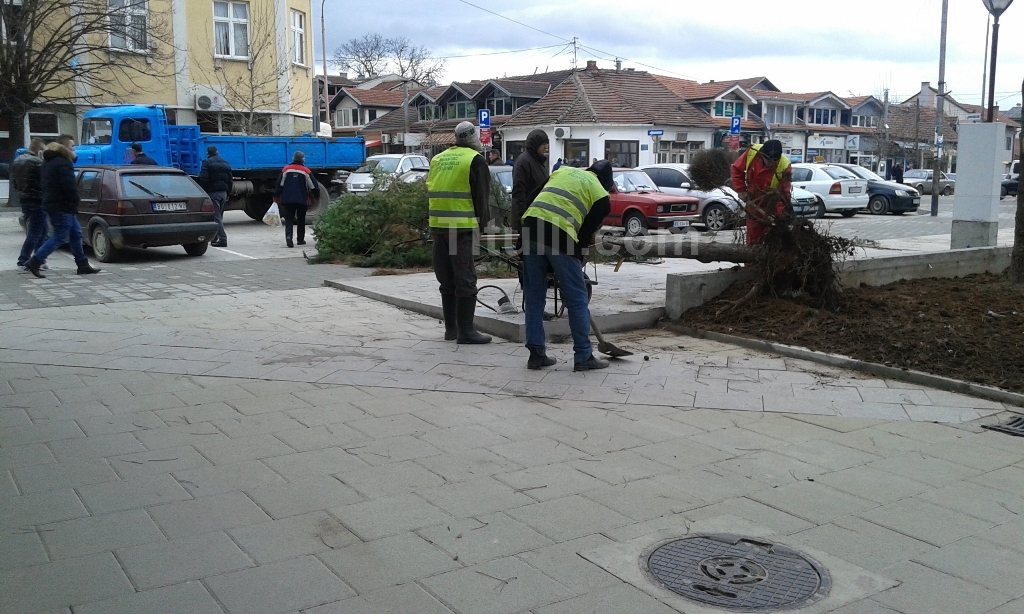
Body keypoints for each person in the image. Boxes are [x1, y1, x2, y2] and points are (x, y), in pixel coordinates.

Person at [520, 160, 613, 371]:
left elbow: (530, 199)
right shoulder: (601, 196)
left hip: (531, 230)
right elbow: (584, 234)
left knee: (534, 296)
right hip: (560, 237)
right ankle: (583, 356)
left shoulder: (562, 172)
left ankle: (536, 354)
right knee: (576, 299)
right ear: (606, 183)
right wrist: (576, 257)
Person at [426, 121, 492, 344]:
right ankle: (466, 332)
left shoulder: (437, 159)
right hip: (461, 229)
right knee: (465, 279)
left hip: (438, 228)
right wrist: (481, 229)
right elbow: (482, 199)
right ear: (474, 139)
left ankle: (451, 330)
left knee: (446, 280)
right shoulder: (475, 160)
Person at [24, 135, 101, 278]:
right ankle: (35, 261)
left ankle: (82, 264)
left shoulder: (47, 162)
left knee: (75, 234)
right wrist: (75, 200)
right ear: (65, 148)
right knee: (60, 235)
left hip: (53, 203)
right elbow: (69, 186)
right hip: (62, 205)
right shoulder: (63, 163)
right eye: (72, 147)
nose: (74, 149)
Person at [730, 139, 792, 246]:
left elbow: (784, 194)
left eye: (775, 161)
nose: (772, 163)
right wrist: (741, 190)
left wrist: (779, 215)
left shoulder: (784, 166)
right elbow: (736, 169)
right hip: (753, 203)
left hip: (771, 205)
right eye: (769, 160)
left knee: (773, 241)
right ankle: (752, 261)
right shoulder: (752, 153)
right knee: (753, 240)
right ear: (762, 155)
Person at [12, 138, 47, 270]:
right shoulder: (37, 162)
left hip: (25, 200)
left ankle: (39, 259)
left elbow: (15, 182)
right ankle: (24, 260)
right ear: (39, 150)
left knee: (41, 231)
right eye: (43, 150)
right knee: (36, 232)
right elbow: (44, 182)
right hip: (37, 200)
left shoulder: (17, 160)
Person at [273, 151, 319, 248]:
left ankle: (289, 238)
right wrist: (316, 196)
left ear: (293, 158)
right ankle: (300, 240)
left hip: (287, 200)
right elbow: (313, 186)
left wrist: (276, 196)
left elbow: (279, 184)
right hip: (302, 200)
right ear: (302, 159)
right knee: (301, 219)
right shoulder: (306, 171)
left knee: (289, 219)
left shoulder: (286, 169)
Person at [511, 129, 550, 232]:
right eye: (543, 144)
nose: (546, 147)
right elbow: (519, 193)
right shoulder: (524, 162)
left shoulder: (538, 161)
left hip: (539, 216)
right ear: (535, 145)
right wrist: (522, 221)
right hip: (529, 217)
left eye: (546, 144)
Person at [198, 145, 233, 248]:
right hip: (223, 193)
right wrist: (228, 193)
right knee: (219, 217)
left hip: (213, 193)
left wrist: (202, 192)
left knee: (216, 217)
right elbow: (230, 180)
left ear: (208, 153)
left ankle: (223, 239)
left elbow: (204, 179)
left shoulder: (207, 163)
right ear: (217, 152)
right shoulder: (225, 163)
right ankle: (214, 238)